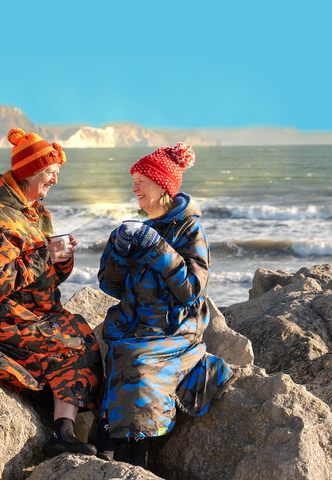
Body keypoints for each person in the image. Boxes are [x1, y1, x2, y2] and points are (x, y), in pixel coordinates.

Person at [0, 128, 103, 457]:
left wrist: (62, 258)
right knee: (67, 343)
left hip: (29, 308)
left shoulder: (37, 214)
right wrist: (44, 254)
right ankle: (64, 430)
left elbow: (45, 276)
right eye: (51, 174)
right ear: (31, 173)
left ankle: (63, 432)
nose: (55, 181)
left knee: (80, 332)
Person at [96, 142, 234, 468]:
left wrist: (159, 248)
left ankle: (133, 457)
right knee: (118, 351)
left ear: (161, 186)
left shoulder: (191, 230)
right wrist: (117, 247)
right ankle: (109, 448)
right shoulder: (142, 225)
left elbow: (192, 292)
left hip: (176, 326)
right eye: (134, 181)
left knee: (138, 360)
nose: (134, 188)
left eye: (140, 181)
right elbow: (109, 285)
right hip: (136, 322)